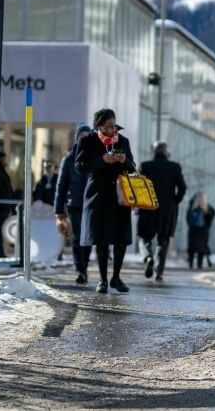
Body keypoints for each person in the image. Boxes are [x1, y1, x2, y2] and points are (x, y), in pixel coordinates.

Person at [76, 108, 135, 294]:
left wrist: (124, 160)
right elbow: (79, 166)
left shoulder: (123, 141)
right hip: (98, 196)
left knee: (120, 239)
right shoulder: (88, 141)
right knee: (101, 240)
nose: (112, 129)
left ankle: (116, 277)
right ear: (99, 126)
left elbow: (132, 167)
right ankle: (102, 280)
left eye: (113, 125)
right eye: (108, 126)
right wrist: (102, 160)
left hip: (120, 196)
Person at [137, 141, 186, 281]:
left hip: (147, 207)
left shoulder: (145, 166)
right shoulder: (175, 167)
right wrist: (174, 201)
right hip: (167, 210)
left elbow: (137, 186)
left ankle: (148, 257)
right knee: (163, 240)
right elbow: (182, 189)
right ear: (166, 152)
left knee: (145, 237)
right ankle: (159, 272)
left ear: (154, 151)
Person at [54, 124, 93, 284]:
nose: (83, 139)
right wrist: (58, 210)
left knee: (89, 238)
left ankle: (84, 264)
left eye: (86, 136)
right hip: (74, 204)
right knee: (77, 237)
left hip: (91, 204)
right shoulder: (69, 159)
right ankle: (80, 270)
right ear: (77, 138)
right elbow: (61, 186)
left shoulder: (94, 157)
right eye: (81, 136)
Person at [186, 192, 215, 269]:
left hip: (193, 230)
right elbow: (211, 216)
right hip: (203, 231)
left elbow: (188, 218)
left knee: (192, 248)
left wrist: (191, 225)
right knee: (201, 248)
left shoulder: (192, 207)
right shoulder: (207, 208)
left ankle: (191, 263)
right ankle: (199, 264)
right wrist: (207, 227)